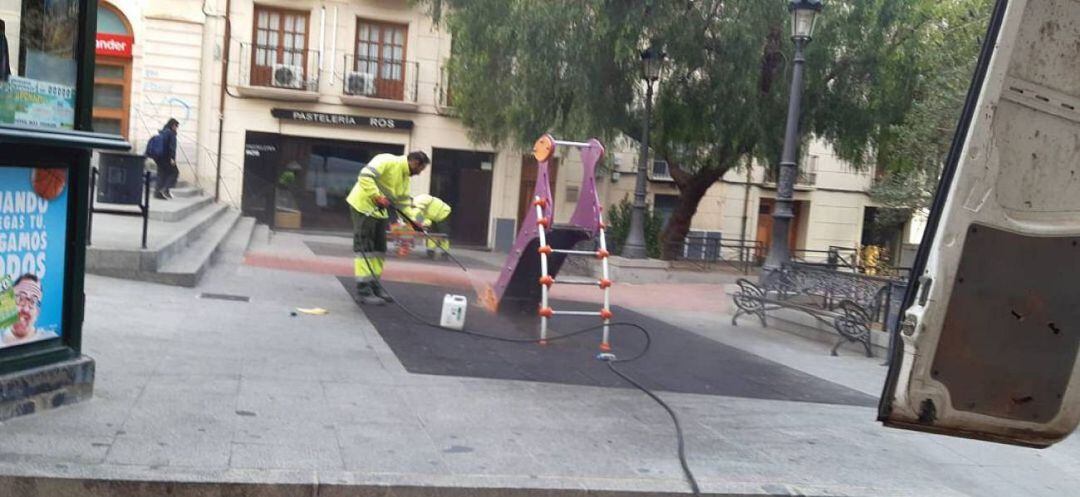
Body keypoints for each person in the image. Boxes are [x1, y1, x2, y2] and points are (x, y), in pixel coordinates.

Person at [346, 151, 429, 305]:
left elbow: (403, 203)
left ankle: (374, 285)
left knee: (379, 250)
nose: (418, 174)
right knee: (365, 248)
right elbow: (365, 176)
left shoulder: (404, 179)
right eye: (420, 169)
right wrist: (376, 196)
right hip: (363, 208)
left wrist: (415, 222)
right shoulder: (387, 160)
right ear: (415, 162)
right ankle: (363, 291)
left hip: (379, 212)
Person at [1, 274, 54, 346]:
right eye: (20, 298)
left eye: (33, 302)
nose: (25, 309)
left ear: (37, 312)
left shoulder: (51, 340)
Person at [404, 194, 452, 259]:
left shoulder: (419, 200)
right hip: (433, 217)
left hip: (443, 214)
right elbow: (422, 217)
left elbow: (418, 214)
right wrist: (423, 224)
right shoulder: (414, 207)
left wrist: (418, 222)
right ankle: (430, 252)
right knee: (432, 234)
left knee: (443, 235)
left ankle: (445, 253)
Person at [151, 118, 180, 200]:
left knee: (161, 174)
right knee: (175, 172)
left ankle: (157, 193)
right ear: (173, 125)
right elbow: (172, 148)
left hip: (159, 157)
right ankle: (165, 189)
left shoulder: (163, 132)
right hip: (167, 158)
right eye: (176, 126)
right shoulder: (171, 134)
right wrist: (172, 158)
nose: (176, 128)